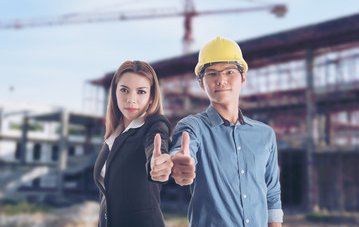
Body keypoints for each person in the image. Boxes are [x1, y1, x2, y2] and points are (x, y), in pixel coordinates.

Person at [170, 37, 284, 226]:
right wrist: (180, 162)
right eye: (212, 74)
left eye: (229, 71)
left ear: (243, 77)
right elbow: (184, 151)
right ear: (201, 83)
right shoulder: (193, 126)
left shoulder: (265, 134)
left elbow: (272, 192)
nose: (221, 80)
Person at [93, 60, 173, 227]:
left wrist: (158, 162)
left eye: (141, 92)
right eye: (124, 90)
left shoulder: (155, 125)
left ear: (151, 98)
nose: (131, 99)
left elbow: (157, 141)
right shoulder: (113, 137)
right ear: (114, 93)